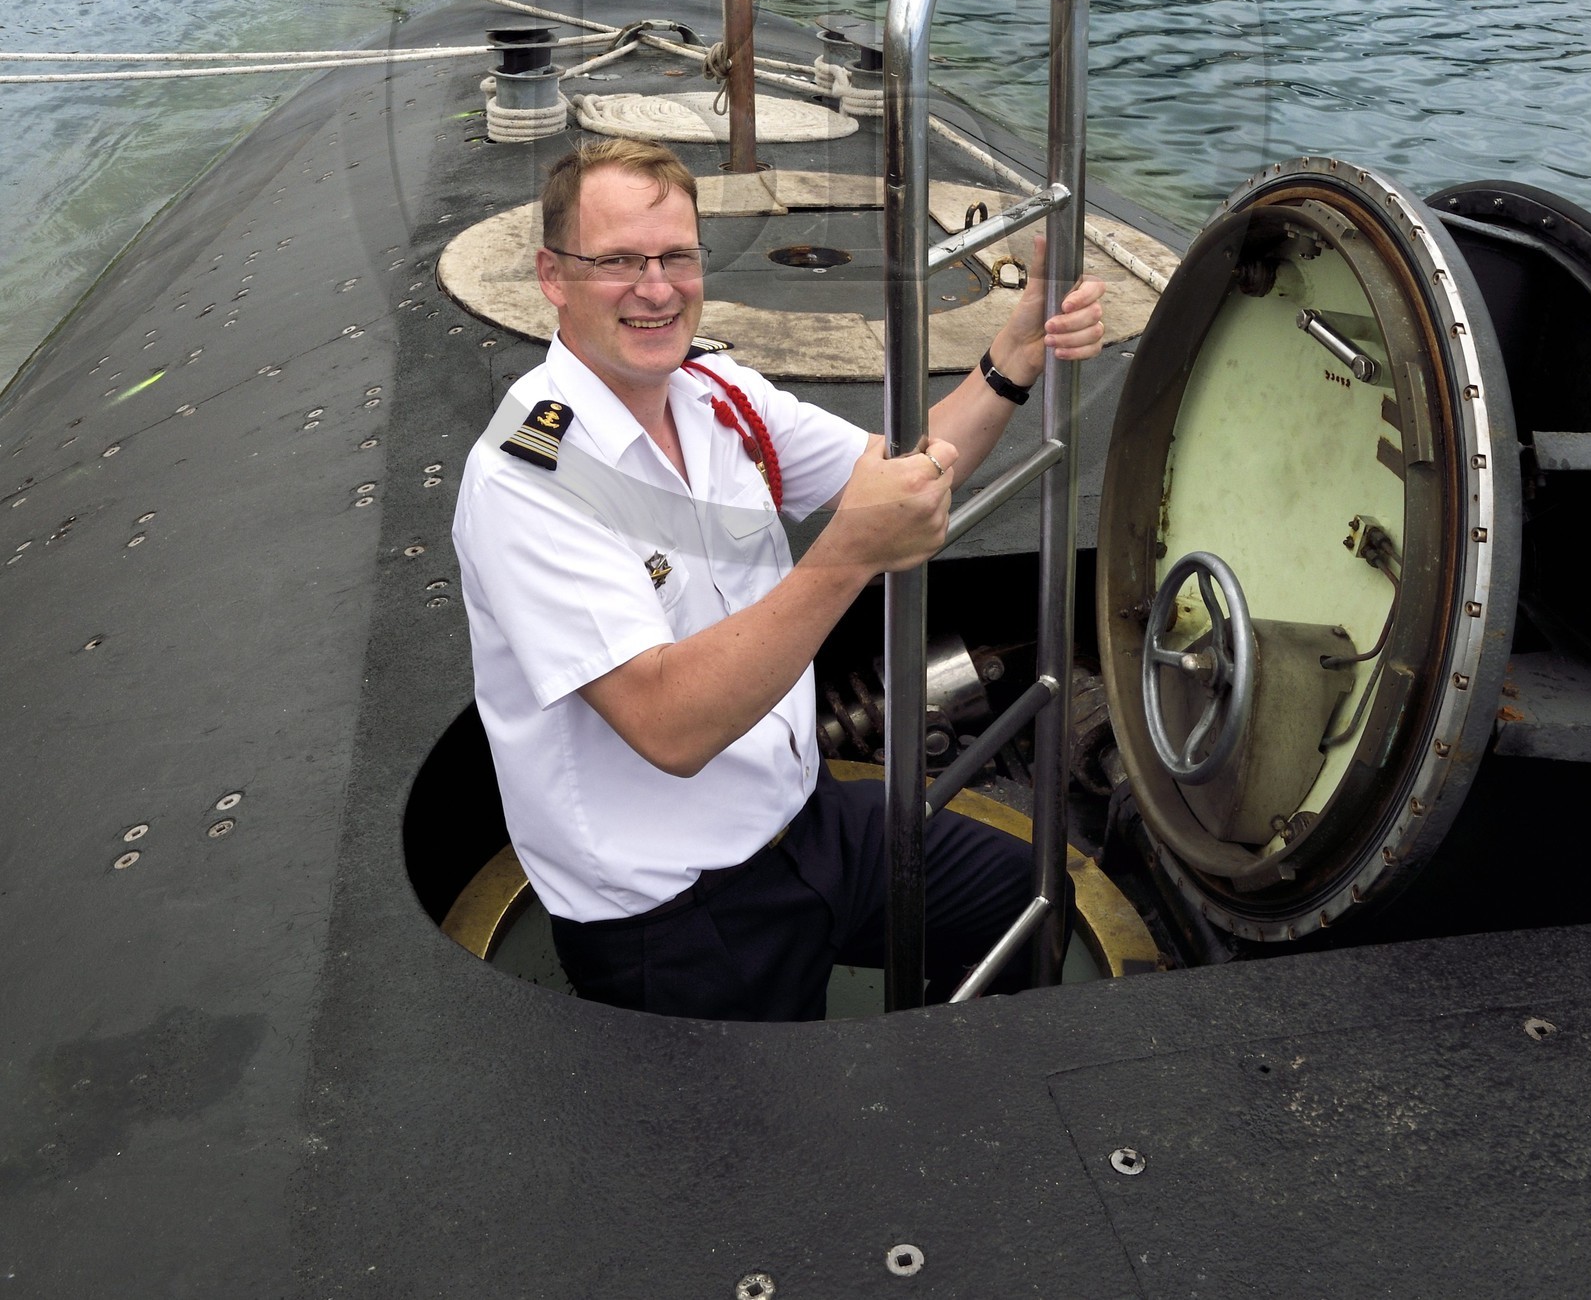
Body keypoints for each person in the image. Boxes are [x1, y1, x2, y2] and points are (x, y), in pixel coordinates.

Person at [453, 134, 1106, 1022]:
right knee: (777, 1147)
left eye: (678, 256)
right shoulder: (528, 477)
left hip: (802, 819)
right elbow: (667, 725)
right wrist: (846, 553)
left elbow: (908, 471)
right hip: (669, 910)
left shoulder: (717, 393)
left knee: (1021, 905)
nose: (656, 288)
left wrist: (1013, 357)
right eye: (617, 261)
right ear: (553, 276)